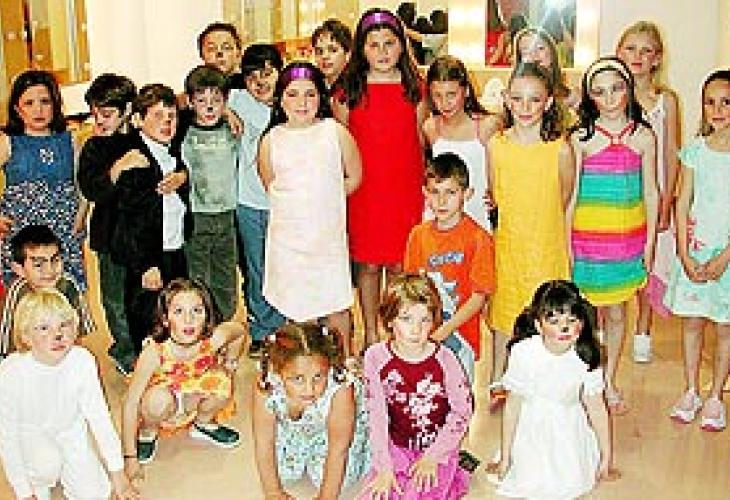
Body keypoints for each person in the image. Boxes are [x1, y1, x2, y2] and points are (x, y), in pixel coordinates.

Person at [334, 8, 427, 351]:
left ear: (402, 46)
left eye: (390, 43)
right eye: (374, 45)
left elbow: (421, 139)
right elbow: (341, 144)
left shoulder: (415, 89)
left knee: (401, 264)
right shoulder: (347, 91)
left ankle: (396, 331)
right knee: (369, 264)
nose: (383, 52)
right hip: (366, 190)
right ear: (362, 50)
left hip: (404, 187)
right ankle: (371, 332)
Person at [570, 56, 658, 414]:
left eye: (617, 89)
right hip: (587, 243)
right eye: (599, 92)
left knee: (619, 313)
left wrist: (649, 243)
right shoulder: (580, 138)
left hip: (626, 242)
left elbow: (652, 192)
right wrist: (567, 245)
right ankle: (585, 379)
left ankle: (608, 381)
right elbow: (570, 197)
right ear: (589, 97)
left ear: (629, 89)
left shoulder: (643, 136)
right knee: (584, 316)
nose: (609, 99)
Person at [487, 62, 574, 411]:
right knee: (504, 314)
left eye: (534, 100)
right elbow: (496, 194)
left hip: (545, 244)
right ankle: (499, 377)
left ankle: (547, 381)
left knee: (547, 313)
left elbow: (564, 196)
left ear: (548, 102)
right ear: (507, 99)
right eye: (518, 99)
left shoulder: (560, 149)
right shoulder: (496, 145)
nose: (525, 108)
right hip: (510, 244)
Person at [258, 62, 362, 355]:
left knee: (335, 304)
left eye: (310, 94)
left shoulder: (335, 133)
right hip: (289, 241)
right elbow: (271, 184)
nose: (302, 103)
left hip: (326, 239)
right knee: (298, 307)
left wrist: (325, 198)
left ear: (321, 97)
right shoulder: (271, 141)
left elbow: (354, 177)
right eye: (293, 94)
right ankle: (304, 366)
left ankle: (343, 363)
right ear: (281, 99)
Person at [0, 289, 139, 500]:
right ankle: (38, 483)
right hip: (31, 434)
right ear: (26, 336)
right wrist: (24, 492)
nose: (57, 335)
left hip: (71, 431)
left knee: (96, 494)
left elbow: (99, 418)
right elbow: (7, 438)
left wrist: (118, 473)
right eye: (43, 328)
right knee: (47, 464)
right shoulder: (11, 373)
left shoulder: (82, 360)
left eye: (64, 325)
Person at [490, 280, 615, 498]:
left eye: (572, 320)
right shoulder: (524, 353)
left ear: (582, 323)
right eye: (554, 321)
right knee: (529, 480)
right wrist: (506, 456)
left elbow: (596, 408)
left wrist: (606, 456)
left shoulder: (586, 356)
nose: (564, 328)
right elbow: (512, 408)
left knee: (571, 481)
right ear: (539, 326)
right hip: (530, 427)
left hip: (569, 428)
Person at [92, 84, 190, 355]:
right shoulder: (135, 159)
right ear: (137, 120)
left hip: (174, 247)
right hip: (149, 257)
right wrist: (146, 264)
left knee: (176, 309)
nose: (167, 123)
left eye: (171, 116)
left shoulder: (171, 149)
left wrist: (183, 178)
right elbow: (130, 221)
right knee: (147, 319)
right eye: (157, 116)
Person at [361, 273, 473, 499]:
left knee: (416, 494)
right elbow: (376, 416)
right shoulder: (375, 357)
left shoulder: (446, 359)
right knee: (378, 494)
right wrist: (383, 467)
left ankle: (457, 471)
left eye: (425, 320)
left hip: (438, 449)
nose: (416, 329)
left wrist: (434, 456)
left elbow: (462, 411)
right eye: (406, 319)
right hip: (396, 448)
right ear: (389, 320)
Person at [122, 279, 245, 478]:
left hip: (192, 397)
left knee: (223, 381)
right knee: (158, 400)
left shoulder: (213, 340)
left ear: (207, 316)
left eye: (197, 311)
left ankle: (202, 423)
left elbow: (239, 331)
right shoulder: (154, 352)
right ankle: (148, 432)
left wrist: (230, 364)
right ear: (165, 319)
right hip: (160, 404)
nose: (189, 320)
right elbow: (130, 403)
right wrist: (129, 456)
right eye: (179, 311)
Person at [664, 69, 730, 432]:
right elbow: (682, 201)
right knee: (692, 323)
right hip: (696, 251)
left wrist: (724, 258)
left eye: (726, 102)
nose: (717, 110)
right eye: (710, 102)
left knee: (724, 328)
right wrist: (684, 252)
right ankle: (691, 389)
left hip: (726, 257)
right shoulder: (694, 152)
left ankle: (716, 395)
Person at [616, 21, 681, 363]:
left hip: (652, 194)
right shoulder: (611, 97)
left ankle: (642, 329)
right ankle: (606, 326)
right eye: (631, 48)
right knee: (613, 263)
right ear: (619, 52)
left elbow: (671, 154)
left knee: (648, 264)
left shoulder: (665, 101)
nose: (638, 56)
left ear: (657, 58)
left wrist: (667, 202)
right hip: (618, 196)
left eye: (646, 50)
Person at [403, 153, 495, 382]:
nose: (441, 201)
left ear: (467, 193)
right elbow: (410, 290)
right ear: (425, 193)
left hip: (461, 339)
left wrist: (445, 330)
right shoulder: (418, 236)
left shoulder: (478, 238)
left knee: (458, 398)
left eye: (450, 193)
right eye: (435, 192)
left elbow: (479, 297)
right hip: (422, 337)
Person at [252, 322, 370, 499]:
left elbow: (339, 448)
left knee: (337, 479)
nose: (309, 389)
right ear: (278, 371)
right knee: (283, 473)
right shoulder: (266, 385)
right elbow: (263, 442)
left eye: (318, 377)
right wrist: (273, 492)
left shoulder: (341, 389)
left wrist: (326, 497)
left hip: (337, 431)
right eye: (298, 379)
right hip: (297, 429)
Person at [0, 70, 87, 290]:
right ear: (17, 109)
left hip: (64, 232)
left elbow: (83, 183)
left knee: (65, 293)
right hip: (23, 235)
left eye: (45, 102)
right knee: (26, 298)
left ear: (55, 104)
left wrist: (81, 214)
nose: (38, 110)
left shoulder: (71, 140)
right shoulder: (8, 142)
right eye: (29, 103)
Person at [227, 43, 285, 358]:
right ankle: (263, 330)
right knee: (257, 268)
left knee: (286, 266)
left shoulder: (292, 102)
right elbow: (190, 98)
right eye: (251, 77)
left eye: (267, 73)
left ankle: (287, 326)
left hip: (286, 204)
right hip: (249, 203)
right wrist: (225, 110)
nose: (260, 82)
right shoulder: (238, 100)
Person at [79, 73, 138, 374]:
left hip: (141, 236)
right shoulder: (93, 147)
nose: (99, 121)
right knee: (114, 299)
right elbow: (92, 189)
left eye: (106, 113)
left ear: (127, 110)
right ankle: (125, 350)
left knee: (142, 295)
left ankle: (146, 348)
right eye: (95, 114)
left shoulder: (142, 139)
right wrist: (116, 170)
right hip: (108, 235)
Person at [180, 65, 239, 322]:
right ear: (190, 102)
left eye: (216, 100)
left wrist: (229, 114)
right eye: (201, 101)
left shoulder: (232, 129)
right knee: (197, 278)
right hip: (196, 216)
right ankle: (200, 326)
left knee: (225, 276)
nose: (209, 107)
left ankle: (223, 323)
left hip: (226, 215)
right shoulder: (182, 130)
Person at [423, 55, 501, 231]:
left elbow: (501, 171)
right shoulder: (430, 127)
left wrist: (496, 198)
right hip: (442, 217)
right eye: (437, 96)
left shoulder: (487, 126)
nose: (445, 103)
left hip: (477, 215)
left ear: (466, 91)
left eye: (451, 94)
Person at [0, 224, 94, 357]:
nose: (49, 270)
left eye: (55, 260)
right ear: (19, 269)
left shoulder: (69, 285)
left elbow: (78, 335)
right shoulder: (17, 292)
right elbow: (8, 346)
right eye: (38, 265)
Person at [513, 26, 580, 109]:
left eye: (540, 48)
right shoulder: (513, 97)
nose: (534, 54)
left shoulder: (572, 96)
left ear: (552, 53)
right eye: (526, 51)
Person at [197, 22, 244, 87]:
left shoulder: (252, 88)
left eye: (226, 48)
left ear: (238, 53)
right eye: (212, 48)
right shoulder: (194, 89)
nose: (219, 53)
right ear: (202, 55)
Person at [311, 19, 352, 91]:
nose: (324, 56)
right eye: (319, 52)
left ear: (348, 54)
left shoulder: (357, 88)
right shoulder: (314, 88)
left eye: (333, 50)